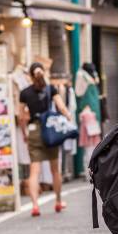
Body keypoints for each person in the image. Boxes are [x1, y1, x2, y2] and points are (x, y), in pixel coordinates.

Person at [18, 62, 72, 217]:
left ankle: (35, 206)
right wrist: (68, 119)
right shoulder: (51, 89)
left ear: (29, 75)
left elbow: (21, 117)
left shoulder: (24, 93)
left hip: (34, 131)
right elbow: (61, 107)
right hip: (50, 131)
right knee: (55, 169)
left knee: (34, 171)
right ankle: (58, 201)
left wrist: (24, 133)